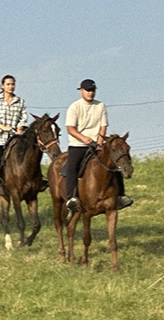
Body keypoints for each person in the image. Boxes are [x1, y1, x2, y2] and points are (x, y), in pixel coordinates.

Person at [65, 79, 132, 218]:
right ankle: (71, 198)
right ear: (81, 91)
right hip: (78, 144)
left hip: (97, 143)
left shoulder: (100, 105)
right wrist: (84, 139)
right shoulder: (74, 107)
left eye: (93, 90)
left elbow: (103, 126)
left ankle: (120, 196)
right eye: (88, 90)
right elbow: (70, 128)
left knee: (114, 164)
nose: (91, 93)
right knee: (72, 167)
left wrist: (99, 142)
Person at [0, 74, 28, 192]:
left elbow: (23, 117)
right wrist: (3, 127)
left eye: (13, 84)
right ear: (2, 86)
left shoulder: (20, 101)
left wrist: (20, 128)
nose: (11, 86)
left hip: (14, 135)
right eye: (8, 84)